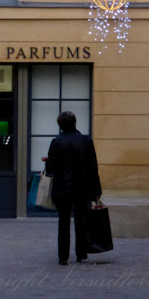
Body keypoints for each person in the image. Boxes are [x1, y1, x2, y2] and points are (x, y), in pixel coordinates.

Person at [43, 111, 102, 266]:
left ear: (60, 125)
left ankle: (63, 256)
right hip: (82, 187)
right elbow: (93, 167)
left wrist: (48, 160)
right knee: (81, 220)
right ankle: (81, 253)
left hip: (62, 188)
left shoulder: (56, 142)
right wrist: (97, 192)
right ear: (75, 123)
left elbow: (50, 168)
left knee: (63, 223)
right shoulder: (86, 141)